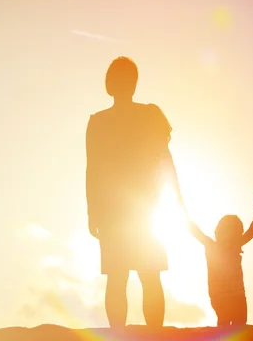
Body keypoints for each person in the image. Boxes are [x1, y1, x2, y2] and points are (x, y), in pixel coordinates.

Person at [85, 56, 185, 328]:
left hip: (137, 209)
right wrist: (93, 212)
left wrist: (93, 211)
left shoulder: (140, 116)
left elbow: (165, 160)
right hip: (133, 209)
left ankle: (145, 333)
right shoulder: (106, 120)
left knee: (136, 274)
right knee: (137, 274)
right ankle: (141, 333)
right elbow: (93, 169)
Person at [188, 204, 253, 326]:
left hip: (237, 296)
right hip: (220, 297)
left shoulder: (234, 245)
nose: (230, 234)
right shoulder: (212, 246)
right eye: (227, 229)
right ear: (219, 231)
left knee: (238, 324)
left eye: (233, 230)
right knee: (225, 322)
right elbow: (194, 231)